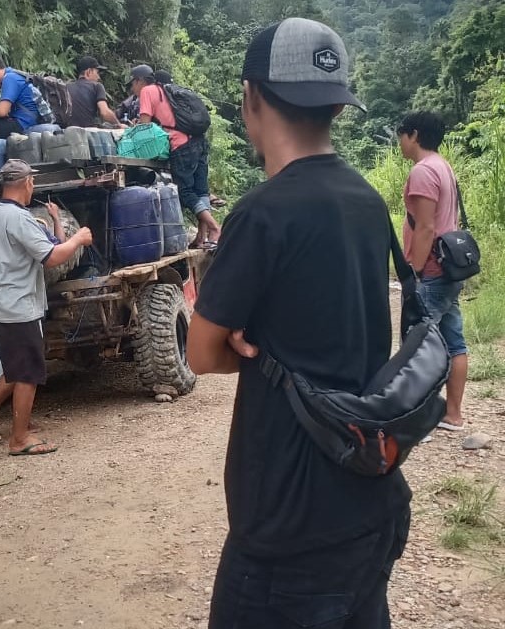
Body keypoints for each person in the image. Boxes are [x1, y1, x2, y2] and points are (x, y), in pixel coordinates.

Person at [185, 18, 411, 629]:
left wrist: (246, 343)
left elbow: (201, 353)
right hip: (371, 492)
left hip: (288, 522)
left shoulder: (262, 213)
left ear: (250, 98)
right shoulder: (367, 200)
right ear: (337, 105)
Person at [0, 159, 93, 455]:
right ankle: (19, 439)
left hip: (0, 303)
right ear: (27, 183)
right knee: (28, 371)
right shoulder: (20, 219)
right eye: (33, 182)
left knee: (16, 367)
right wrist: (79, 239)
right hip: (19, 305)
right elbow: (52, 257)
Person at [398, 111, 468, 432]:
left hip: (431, 271)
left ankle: (418, 422)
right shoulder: (444, 166)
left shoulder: (423, 171)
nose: (400, 142)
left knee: (417, 346)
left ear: (413, 135)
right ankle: (453, 415)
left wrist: (414, 270)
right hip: (450, 270)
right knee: (454, 342)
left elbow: (425, 227)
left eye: (402, 135)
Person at [129, 64, 221, 247]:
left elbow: (145, 127)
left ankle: (214, 227)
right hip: (200, 141)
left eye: (132, 84)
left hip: (181, 145)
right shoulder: (170, 91)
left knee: (184, 191)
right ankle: (202, 237)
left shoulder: (148, 91)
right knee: (200, 190)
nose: (132, 89)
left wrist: (132, 131)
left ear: (140, 81)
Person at [66, 55, 121, 128]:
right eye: (97, 72)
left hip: (67, 130)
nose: (98, 77)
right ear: (88, 72)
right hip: (87, 132)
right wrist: (119, 125)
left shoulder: (66, 87)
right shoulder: (96, 86)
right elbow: (104, 112)